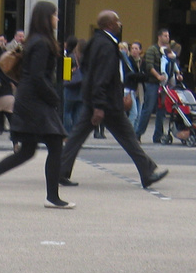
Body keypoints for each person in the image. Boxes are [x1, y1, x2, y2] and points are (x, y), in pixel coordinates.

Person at [0, 1, 72, 209]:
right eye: (55, 15)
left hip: (29, 99)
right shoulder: (42, 43)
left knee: (28, 150)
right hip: (35, 101)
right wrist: (53, 97)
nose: (57, 19)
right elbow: (37, 75)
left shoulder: (34, 40)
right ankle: (52, 197)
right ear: (46, 17)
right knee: (54, 144)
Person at [57, 10, 169, 190]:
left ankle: (60, 170)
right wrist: (99, 105)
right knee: (127, 137)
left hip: (98, 101)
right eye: (117, 21)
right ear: (109, 25)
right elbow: (102, 76)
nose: (120, 23)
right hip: (106, 103)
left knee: (79, 136)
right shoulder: (105, 45)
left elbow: (88, 70)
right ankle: (147, 172)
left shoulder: (97, 41)